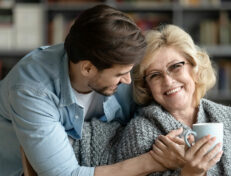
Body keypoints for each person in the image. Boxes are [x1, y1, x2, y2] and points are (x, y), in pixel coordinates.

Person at [72, 24, 231, 176]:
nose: (168, 81)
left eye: (176, 66)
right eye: (155, 75)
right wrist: (191, 173)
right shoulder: (142, 132)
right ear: (147, 86)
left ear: (194, 68)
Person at [0, 4, 179, 176]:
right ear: (87, 69)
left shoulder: (114, 61)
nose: (128, 80)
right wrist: (156, 161)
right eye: (120, 74)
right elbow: (66, 174)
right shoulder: (32, 91)